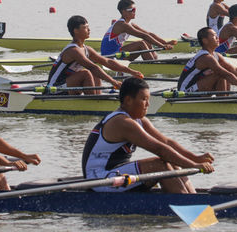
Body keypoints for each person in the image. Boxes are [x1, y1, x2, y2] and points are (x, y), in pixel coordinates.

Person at [82, 77, 215, 193]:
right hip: (99, 180)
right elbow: (159, 149)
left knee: (172, 161)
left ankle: (191, 199)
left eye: (148, 99)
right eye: (144, 99)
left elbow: (166, 143)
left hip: (116, 173)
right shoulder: (122, 122)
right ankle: (186, 205)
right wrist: (192, 165)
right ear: (128, 100)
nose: (148, 104)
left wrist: (196, 159)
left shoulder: (139, 120)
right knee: (159, 164)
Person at [47, 15, 142, 95]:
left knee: (94, 72)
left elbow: (107, 62)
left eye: (88, 27)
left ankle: (97, 97)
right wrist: (114, 82)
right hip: (55, 88)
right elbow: (93, 67)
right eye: (85, 27)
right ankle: (94, 101)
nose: (89, 30)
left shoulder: (87, 49)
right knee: (87, 72)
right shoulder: (73, 50)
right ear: (76, 31)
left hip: (69, 84)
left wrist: (131, 71)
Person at [177, 26, 237, 93]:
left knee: (226, 71)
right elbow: (226, 74)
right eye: (214, 36)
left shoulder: (216, 55)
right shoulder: (206, 58)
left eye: (217, 36)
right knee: (221, 74)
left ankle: (224, 98)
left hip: (199, 85)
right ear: (205, 41)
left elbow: (235, 70)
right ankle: (224, 101)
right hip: (185, 91)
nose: (217, 38)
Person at [101, 0, 178, 61]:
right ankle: (152, 65)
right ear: (123, 12)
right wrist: (163, 46)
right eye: (132, 10)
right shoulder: (122, 25)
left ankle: (154, 61)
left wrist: (165, 43)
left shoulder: (131, 24)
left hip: (118, 53)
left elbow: (148, 34)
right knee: (141, 44)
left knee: (146, 42)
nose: (134, 12)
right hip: (110, 56)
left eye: (135, 9)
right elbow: (143, 35)